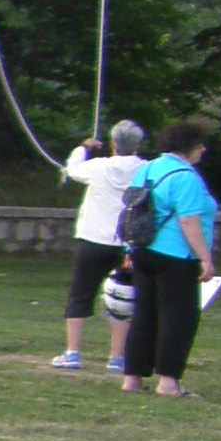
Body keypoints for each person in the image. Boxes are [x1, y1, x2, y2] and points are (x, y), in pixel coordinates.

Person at [120, 120, 221, 398]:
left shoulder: (147, 169)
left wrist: (129, 249)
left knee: (144, 315)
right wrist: (205, 258)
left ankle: (132, 378)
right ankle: (168, 382)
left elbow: (134, 211)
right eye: (200, 144)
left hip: (144, 250)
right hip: (176, 255)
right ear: (189, 146)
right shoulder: (185, 177)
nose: (203, 149)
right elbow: (189, 221)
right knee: (179, 317)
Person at [55, 120, 149, 371]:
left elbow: (73, 169)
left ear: (113, 143)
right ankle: (117, 357)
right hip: (127, 244)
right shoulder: (146, 170)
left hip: (93, 240)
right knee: (123, 297)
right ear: (138, 145)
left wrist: (83, 148)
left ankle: (72, 352)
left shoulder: (99, 167)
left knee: (80, 293)